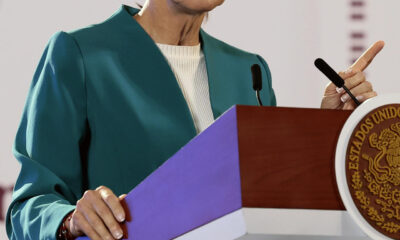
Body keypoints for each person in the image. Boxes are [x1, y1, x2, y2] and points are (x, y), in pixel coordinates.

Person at [6, 0, 383, 239]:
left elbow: (269, 198)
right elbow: (29, 206)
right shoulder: (80, 54)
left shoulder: (248, 69)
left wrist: (327, 132)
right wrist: (71, 220)